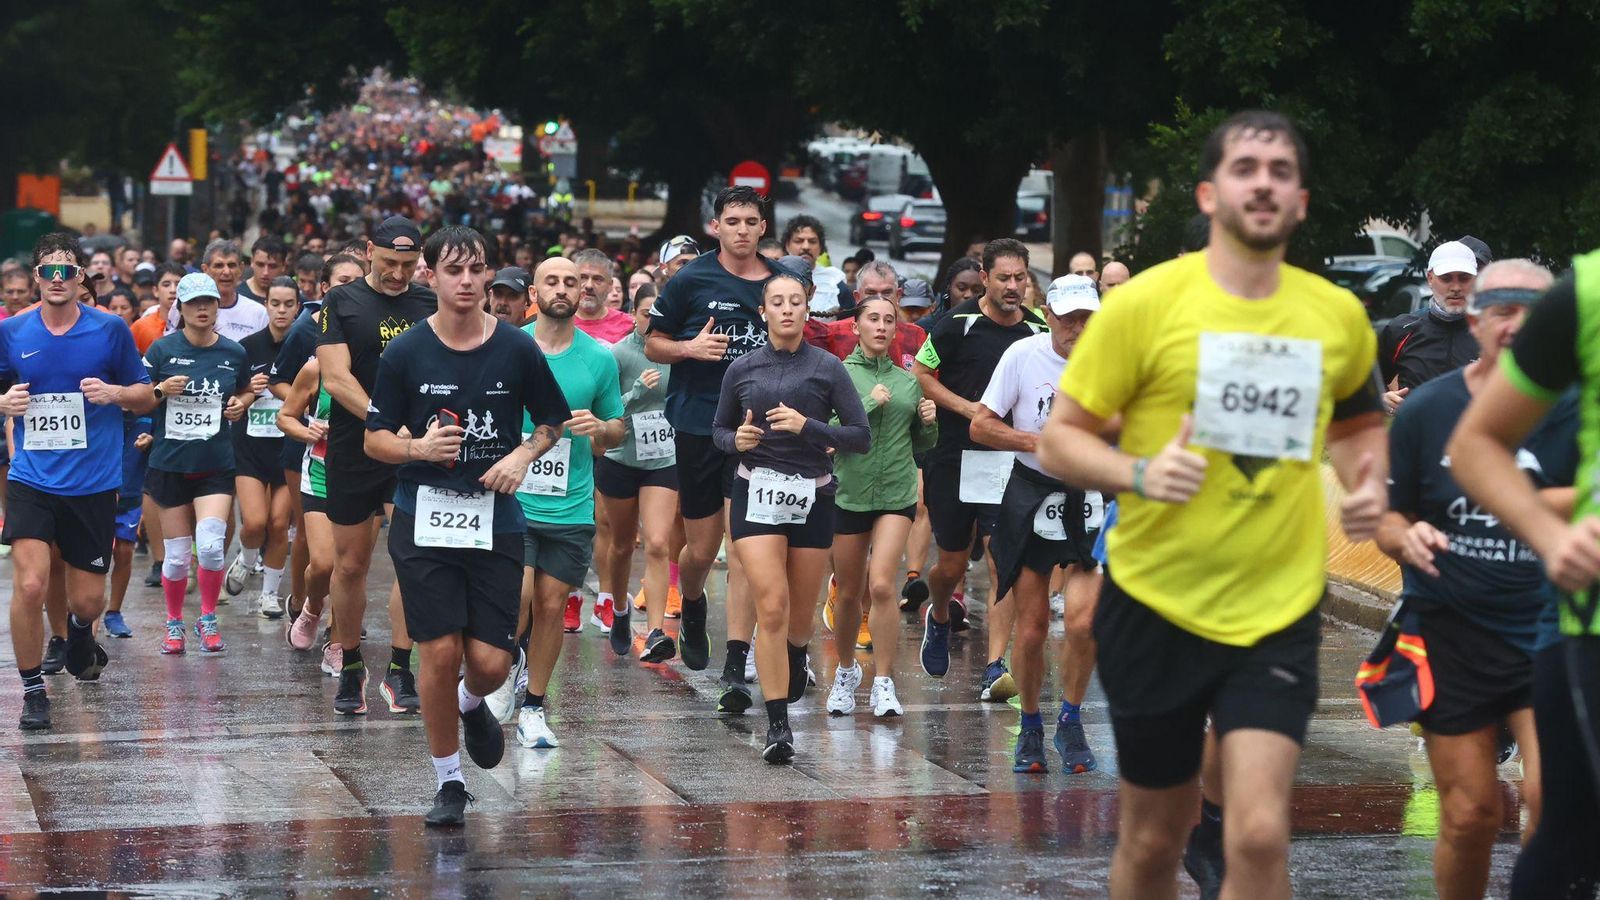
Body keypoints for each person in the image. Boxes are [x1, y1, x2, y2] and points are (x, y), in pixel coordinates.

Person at [1038, 111, 1387, 900]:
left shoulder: (1334, 315)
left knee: (1259, 833)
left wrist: (1371, 486)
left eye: (1281, 171)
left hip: (1276, 608)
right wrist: (1139, 472)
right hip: (1156, 602)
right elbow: (1060, 441)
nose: (1263, 183)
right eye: (1245, 168)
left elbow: (1358, 430)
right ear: (1208, 194)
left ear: (1301, 201)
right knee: (1153, 841)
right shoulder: (1144, 306)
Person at [362, 224, 569, 827]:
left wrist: (522, 455)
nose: (467, 281)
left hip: (495, 520)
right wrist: (417, 449)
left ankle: (470, 702)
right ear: (430, 275)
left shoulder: (516, 348)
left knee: (490, 665)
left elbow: (552, 421)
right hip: (424, 517)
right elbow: (374, 439)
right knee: (439, 650)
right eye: (453, 270)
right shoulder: (405, 352)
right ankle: (448, 781)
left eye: (476, 270)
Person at [1376, 259, 1567, 899]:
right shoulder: (1429, 409)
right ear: (1477, 321)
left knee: (1552, 797)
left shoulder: (1579, 410)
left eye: (1534, 315)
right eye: (1503, 311)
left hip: (1551, 628)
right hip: (1451, 631)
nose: (1517, 327)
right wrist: (1405, 535)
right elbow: (1390, 518)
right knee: (1470, 813)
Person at [1448, 250, 1600, 898]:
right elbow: (1474, 446)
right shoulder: (1586, 292)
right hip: (1581, 618)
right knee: (1560, 828)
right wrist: (1550, 536)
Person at [712, 268, 870, 761]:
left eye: (794, 301)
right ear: (763, 312)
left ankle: (797, 655)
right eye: (776, 301)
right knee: (772, 606)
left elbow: (860, 437)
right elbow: (718, 431)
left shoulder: (828, 367)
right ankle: (778, 726)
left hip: (812, 497)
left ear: (807, 309)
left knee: (799, 619)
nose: (786, 309)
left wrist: (808, 427)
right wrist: (736, 440)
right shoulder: (742, 369)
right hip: (755, 492)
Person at [3, 233, 154, 730]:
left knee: (88, 600)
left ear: (80, 277)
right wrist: (3, 403)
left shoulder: (110, 329)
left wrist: (115, 394)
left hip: (92, 483)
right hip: (32, 478)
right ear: (36, 277)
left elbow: (146, 394)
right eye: (48, 271)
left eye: (66, 270)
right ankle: (32, 691)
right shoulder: (13, 331)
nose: (57, 279)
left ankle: (78, 629)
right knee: (30, 584)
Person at [644, 186, 777, 711]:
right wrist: (690, 348)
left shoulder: (779, 283)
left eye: (751, 221)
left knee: (744, 549)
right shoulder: (691, 279)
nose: (742, 230)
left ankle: (735, 667)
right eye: (732, 221)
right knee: (702, 549)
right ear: (715, 226)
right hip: (699, 424)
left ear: (763, 227)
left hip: (757, 432)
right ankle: (693, 601)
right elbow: (654, 343)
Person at [972, 273, 1106, 774]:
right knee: (1031, 630)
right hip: (1032, 493)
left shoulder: (1113, 360)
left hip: (1091, 494)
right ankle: (1030, 725)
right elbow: (981, 425)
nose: (1078, 327)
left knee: (1084, 622)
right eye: (1068, 318)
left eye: (1087, 317)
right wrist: (1036, 442)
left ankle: (1070, 719)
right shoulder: (1022, 356)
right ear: (1047, 315)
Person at [912, 238, 1048, 691]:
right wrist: (967, 408)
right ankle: (939, 612)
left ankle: (995, 665)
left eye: (1020, 278)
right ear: (985, 278)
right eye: (1003, 278)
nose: (1012, 286)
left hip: (1009, 458)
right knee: (950, 564)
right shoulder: (956, 324)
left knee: (1000, 561)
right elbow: (921, 375)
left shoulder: (1038, 328)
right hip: (954, 456)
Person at [500, 256, 622, 749]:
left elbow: (616, 430)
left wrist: (601, 427)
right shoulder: (509, 346)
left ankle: (533, 705)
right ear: (534, 292)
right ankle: (507, 663)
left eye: (571, 282)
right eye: (552, 281)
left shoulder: (599, 358)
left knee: (552, 607)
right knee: (518, 597)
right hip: (514, 500)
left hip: (570, 505)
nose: (564, 289)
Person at [316, 215, 432, 716]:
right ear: (369, 251)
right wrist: (385, 421)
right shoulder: (341, 302)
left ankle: (401, 668)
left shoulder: (429, 303)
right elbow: (336, 378)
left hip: (415, 448)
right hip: (355, 446)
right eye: (388, 263)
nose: (398, 274)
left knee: (412, 559)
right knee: (350, 563)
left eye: (408, 265)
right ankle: (351, 664)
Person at [827, 294, 936, 718]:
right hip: (849, 492)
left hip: (896, 493)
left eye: (888, 320)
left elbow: (922, 444)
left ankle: (885, 682)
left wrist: (929, 422)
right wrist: (869, 401)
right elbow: (827, 434)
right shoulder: (838, 375)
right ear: (856, 327)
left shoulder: (909, 381)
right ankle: (846, 671)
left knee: (882, 585)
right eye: (872, 319)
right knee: (848, 592)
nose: (881, 326)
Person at [144, 273, 254, 656]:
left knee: (209, 546)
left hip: (214, 464)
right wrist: (161, 390)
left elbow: (244, 391)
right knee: (176, 558)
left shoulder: (233, 353)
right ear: (181, 309)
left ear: (218, 306)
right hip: (170, 464)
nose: (202, 308)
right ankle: (174, 622)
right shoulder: (161, 350)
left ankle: (208, 618)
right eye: (193, 303)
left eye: (209, 301)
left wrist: (241, 404)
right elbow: (139, 397)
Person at [595, 289, 678, 663]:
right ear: (632, 314)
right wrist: (636, 391)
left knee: (658, 542)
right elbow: (606, 414)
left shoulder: (676, 352)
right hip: (621, 459)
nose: (653, 320)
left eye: (659, 314)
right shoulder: (618, 355)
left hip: (663, 460)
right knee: (622, 545)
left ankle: (656, 631)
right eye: (647, 313)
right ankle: (620, 610)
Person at [225, 276, 300, 617]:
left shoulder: (306, 345)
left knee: (279, 524)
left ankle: (269, 595)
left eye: (288, 304)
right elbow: (230, 395)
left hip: (288, 447)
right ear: (265, 305)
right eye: (275, 303)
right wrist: (248, 392)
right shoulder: (246, 347)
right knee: (255, 523)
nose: (281, 310)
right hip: (250, 448)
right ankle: (246, 558)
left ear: (298, 307)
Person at [1379, 240, 1481, 412]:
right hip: (1414, 429)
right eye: (1446, 278)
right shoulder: (1402, 329)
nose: (1456, 287)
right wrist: (1381, 399)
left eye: (1464, 278)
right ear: (1430, 279)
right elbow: (1366, 385)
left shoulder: (1492, 332)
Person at [103, 410, 153, 639]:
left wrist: (152, 441)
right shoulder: (100, 406)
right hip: (97, 491)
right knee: (94, 557)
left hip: (132, 492)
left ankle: (114, 613)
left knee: (124, 553)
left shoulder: (149, 406)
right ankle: (83, 616)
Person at [164, 240, 269, 342]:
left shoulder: (259, 313)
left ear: (241, 269)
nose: (226, 272)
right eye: (219, 265)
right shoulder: (184, 306)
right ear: (205, 269)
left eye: (231, 265)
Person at [571, 249, 634, 344]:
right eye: (583, 277)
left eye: (597, 279)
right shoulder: (559, 322)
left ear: (610, 285)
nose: (589, 286)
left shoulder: (628, 325)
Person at [236, 237, 287, 302]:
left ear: (283, 266)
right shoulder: (236, 296)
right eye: (260, 265)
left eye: (272, 266)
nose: (266, 272)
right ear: (252, 261)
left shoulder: (294, 298)